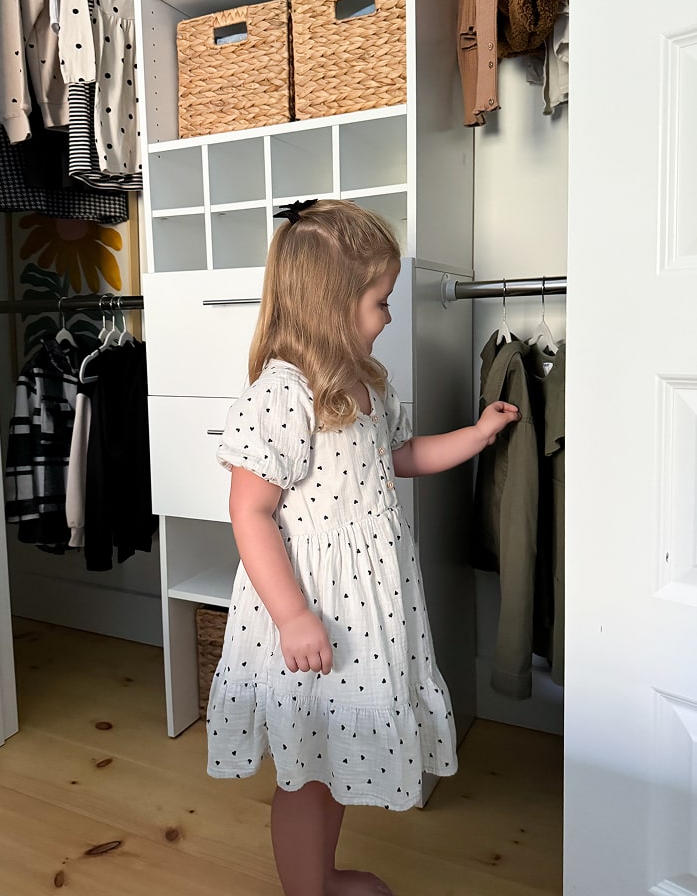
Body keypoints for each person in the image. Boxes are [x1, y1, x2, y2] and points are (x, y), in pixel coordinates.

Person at [207, 199, 520, 896]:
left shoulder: (367, 384)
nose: (388, 316)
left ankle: (322, 875)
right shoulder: (282, 396)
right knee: (304, 776)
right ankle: (305, 890)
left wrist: (475, 435)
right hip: (311, 612)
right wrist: (292, 616)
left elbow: (399, 457)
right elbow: (250, 513)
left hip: (367, 613)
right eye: (381, 301)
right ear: (332, 304)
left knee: (336, 760)